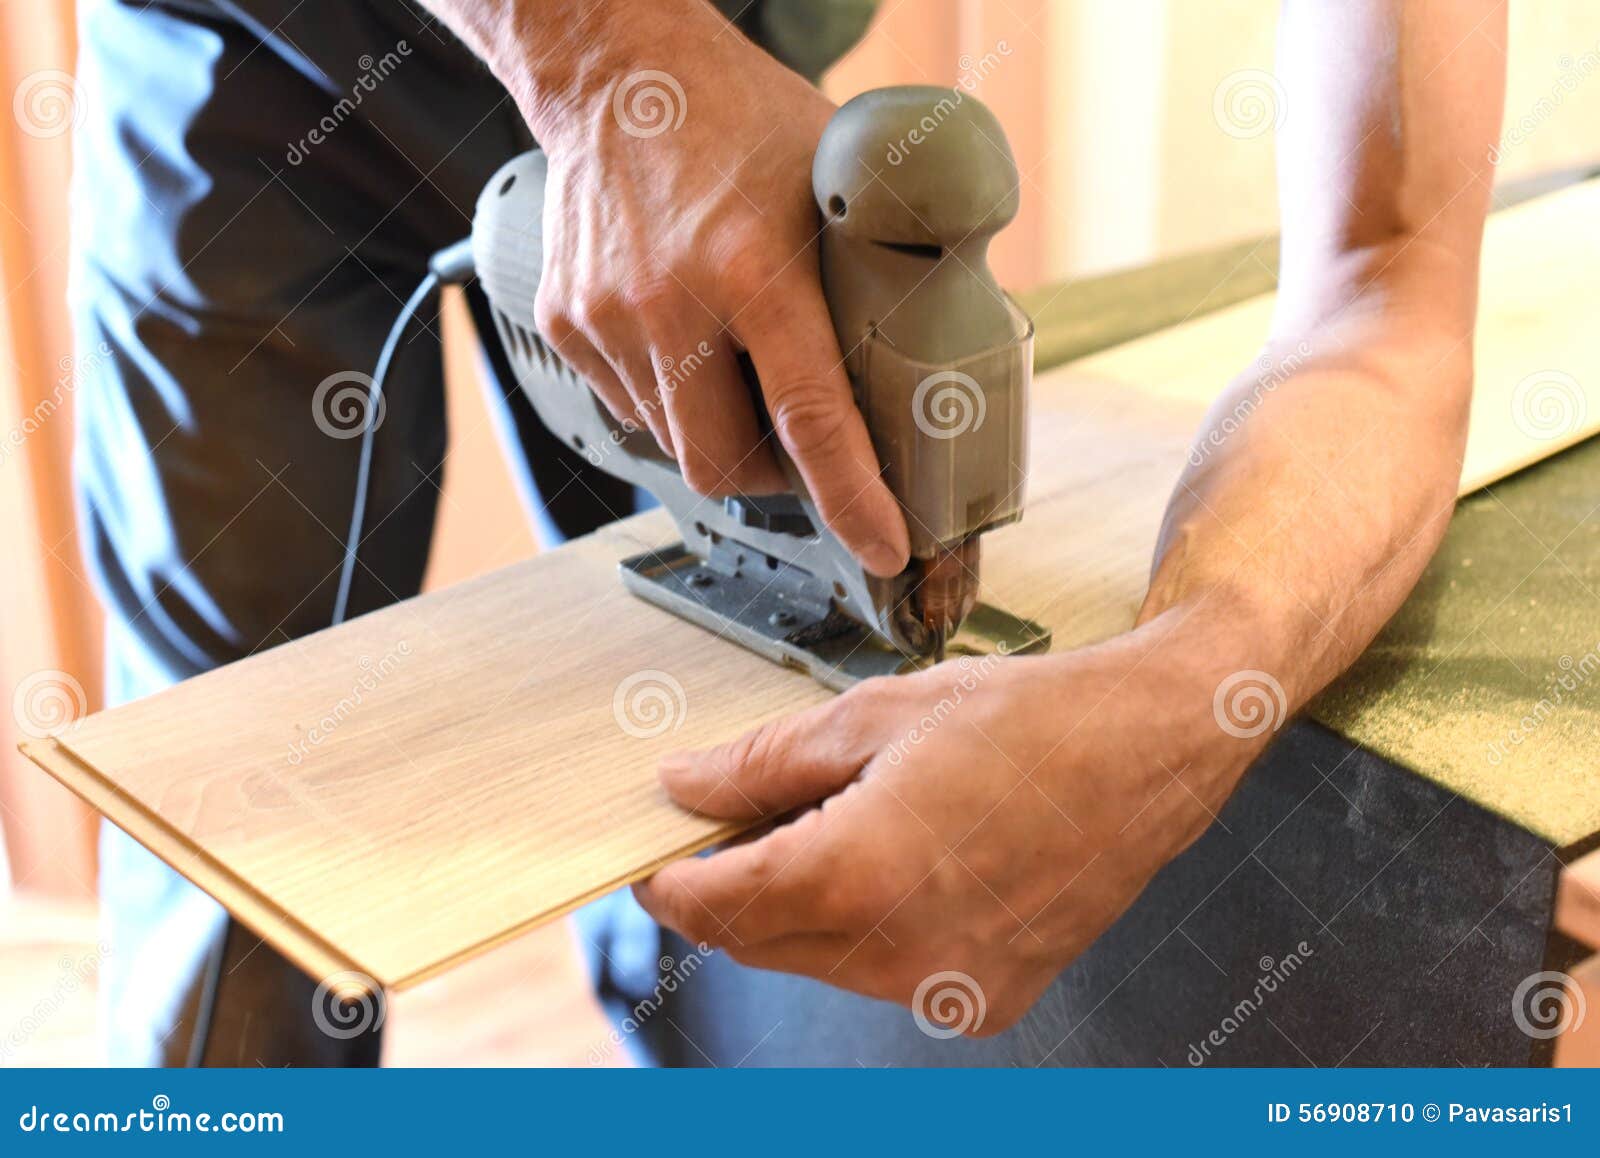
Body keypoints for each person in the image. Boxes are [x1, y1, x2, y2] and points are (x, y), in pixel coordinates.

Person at [73, 0, 1506, 1065]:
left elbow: (1389, 272)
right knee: (245, 830)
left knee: (702, 796)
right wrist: (597, 52)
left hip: (723, 55)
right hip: (256, 71)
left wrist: (1200, 681)